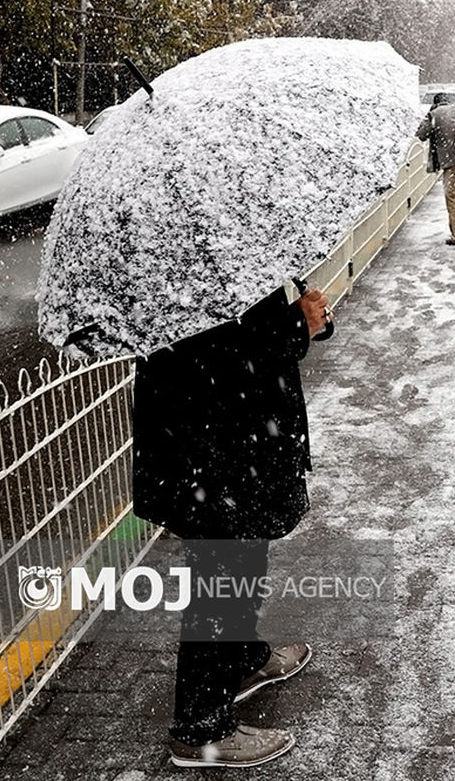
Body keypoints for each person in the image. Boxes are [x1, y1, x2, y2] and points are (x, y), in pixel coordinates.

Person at [132, 284, 331, 768]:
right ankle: (201, 728)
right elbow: (213, 358)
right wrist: (293, 326)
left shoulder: (222, 247)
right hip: (210, 452)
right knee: (219, 578)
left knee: (242, 558)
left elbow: (248, 334)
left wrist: (304, 322)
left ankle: (242, 657)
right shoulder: (175, 266)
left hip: (239, 446)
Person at [416, 92, 455, 245]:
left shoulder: (434, 114)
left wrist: (429, 116)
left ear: (435, 103)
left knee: (453, 199)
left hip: (452, 163)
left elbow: (421, 135)